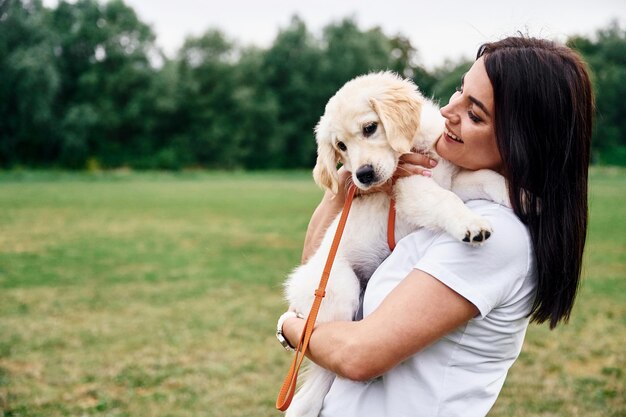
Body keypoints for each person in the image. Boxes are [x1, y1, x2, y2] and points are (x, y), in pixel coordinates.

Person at [279, 36, 594, 417]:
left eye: (475, 114)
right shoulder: (470, 200)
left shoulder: (492, 236)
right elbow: (320, 269)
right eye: (460, 90)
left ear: (523, 137)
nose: (447, 111)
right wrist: (341, 193)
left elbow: (358, 357)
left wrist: (291, 327)